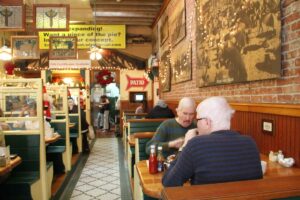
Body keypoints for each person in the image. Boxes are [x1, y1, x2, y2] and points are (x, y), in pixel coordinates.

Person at [162, 96, 263, 187]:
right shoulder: (250, 142)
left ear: (207, 122)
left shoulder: (196, 145)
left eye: (198, 120)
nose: (197, 124)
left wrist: (184, 146)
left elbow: (169, 182)